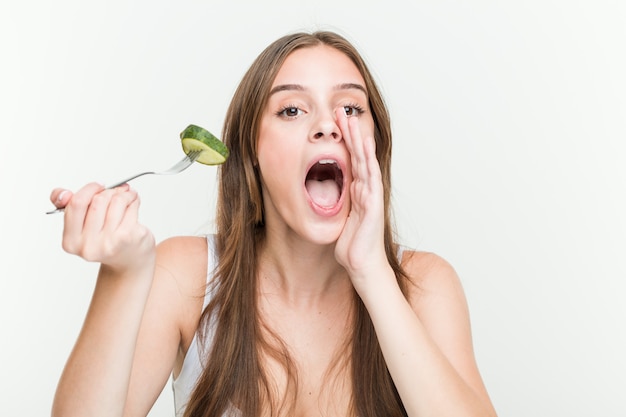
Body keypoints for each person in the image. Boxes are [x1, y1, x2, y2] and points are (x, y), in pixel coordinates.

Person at [49, 30, 497, 417]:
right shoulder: (185, 276)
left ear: (375, 144)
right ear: (251, 153)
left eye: (351, 108)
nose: (328, 125)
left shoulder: (424, 287)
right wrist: (123, 275)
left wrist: (372, 273)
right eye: (291, 110)